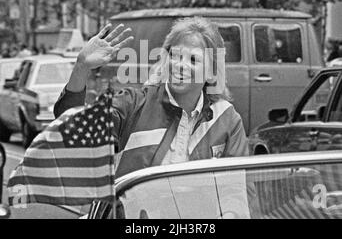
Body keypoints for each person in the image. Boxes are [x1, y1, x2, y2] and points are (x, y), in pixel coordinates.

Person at [54, 17, 249, 178]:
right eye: (175, 55)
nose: (180, 65)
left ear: (212, 73)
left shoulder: (227, 119)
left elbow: (239, 189)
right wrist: (81, 67)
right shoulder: (133, 103)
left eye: (193, 59)